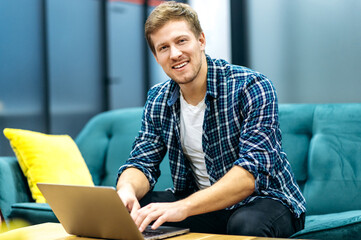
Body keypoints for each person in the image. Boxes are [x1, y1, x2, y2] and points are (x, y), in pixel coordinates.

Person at [116, 1, 306, 237]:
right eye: (163, 47)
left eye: (181, 41)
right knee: (129, 213)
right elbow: (142, 161)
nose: (175, 54)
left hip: (264, 200)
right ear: (156, 56)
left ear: (201, 41)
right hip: (204, 206)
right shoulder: (158, 98)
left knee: (246, 225)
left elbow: (250, 174)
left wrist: (182, 207)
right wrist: (126, 191)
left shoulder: (251, 86)